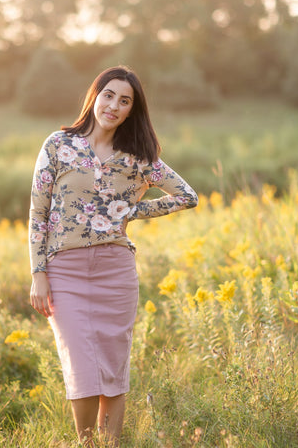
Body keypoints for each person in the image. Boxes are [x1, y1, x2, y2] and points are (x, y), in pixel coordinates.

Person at [29, 65, 198, 446]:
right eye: (109, 95)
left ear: (130, 110)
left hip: (115, 273)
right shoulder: (58, 144)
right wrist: (38, 273)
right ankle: (86, 444)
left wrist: (133, 211)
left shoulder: (137, 157)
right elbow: (38, 213)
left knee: (112, 369)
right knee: (83, 368)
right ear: (95, 96)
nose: (114, 106)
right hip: (65, 272)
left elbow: (188, 196)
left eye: (125, 101)